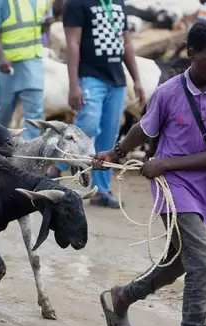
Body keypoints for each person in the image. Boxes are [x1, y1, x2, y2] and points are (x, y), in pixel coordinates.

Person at [94, 21, 206, 326]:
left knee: (177, 261)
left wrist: (164, 162)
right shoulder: (168, 92)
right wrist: (114, 152)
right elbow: (144, 128)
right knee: (204, 264)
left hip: (197, 183)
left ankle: (121, 297)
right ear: (191, 55)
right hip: (172, 187)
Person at [52, 0, 144, 209]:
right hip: (90, 77)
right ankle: (55, 167)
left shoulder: (117, 3)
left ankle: (101, 191)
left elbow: (126, 43)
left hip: (117, 81)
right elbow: (72, 44)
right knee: (88, 125)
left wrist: (136, 80)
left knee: (110, 137)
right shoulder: (76, 3)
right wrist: (74, 85)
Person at [0, 0, 54, 140]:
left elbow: (41, 25)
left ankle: (29, 154)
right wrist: (1, 57)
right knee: (2, 113)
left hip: (32, 62)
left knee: (35, 115)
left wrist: (46, 24)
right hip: (7, 65)